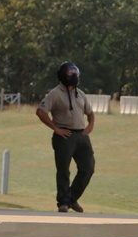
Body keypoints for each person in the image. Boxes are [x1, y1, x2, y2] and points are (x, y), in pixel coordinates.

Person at [35, 61, 96, 213]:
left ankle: (71, 198)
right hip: (64, 136)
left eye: (75, 72)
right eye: (70, 72)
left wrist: (90, 127)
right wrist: (56, 129)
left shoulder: (80, 93)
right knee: (63, 170)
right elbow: (41, 112)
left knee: (88, 168)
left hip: (81, 134)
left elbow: (90, 113)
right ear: (63, 75)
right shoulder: (55, 93)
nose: (73, 75)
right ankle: (63, 202)